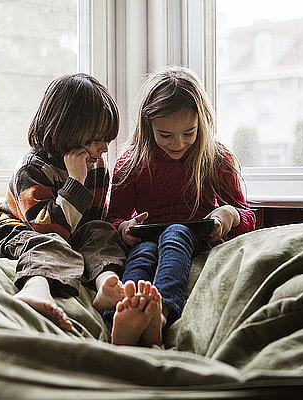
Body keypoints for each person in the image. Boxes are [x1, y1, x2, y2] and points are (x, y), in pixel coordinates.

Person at [0, 73, 160, 341]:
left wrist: (121, 229)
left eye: (107, 140)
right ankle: (35, 288)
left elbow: (91, 222)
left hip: (68, 233)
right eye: (98, 139)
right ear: (69, 129)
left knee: (101, 231)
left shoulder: (96, 166)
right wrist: (75, 181)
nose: (104, 149)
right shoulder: (33, 168)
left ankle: (106, 283)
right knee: (50, 242)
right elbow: (49, 227)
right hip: (17, 233)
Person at [105, 66, 256, 346]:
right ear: (147, 125)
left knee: (175, 233)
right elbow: (115, 219)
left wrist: (228, 215)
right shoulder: (130, 163)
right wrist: (125, 228)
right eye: (165, 135)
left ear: (203, 122)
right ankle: (123, 312)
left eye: (189, 133)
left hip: (197, 239)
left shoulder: (216, 159)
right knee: (143, 252)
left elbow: (247, 216)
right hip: (147, 238)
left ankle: (159, 313)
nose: (179, 144)